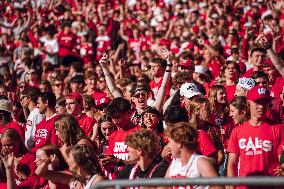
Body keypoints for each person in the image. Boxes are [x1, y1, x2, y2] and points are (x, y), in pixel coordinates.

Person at [227, 86, 284, 189]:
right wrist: (231, 186)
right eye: (258, 102)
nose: (262, 107)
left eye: (265, 102)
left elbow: (282, 159)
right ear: (248, 103)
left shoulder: (278, 129)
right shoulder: (237, 131)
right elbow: (232, 163)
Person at [164, 122, 223, 189]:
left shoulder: (200, 162)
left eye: (170, 142)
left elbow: (218, 186)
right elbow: (163, 187)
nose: (168, 146)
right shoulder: (175, 163)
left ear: (179, 143)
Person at [35, 144, 105, 189]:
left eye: (69, 158)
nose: (67, 161)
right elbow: (40, 173)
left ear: (78, 161)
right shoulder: (72, 180)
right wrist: (47, 161)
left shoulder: (97, 180)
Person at [20, 86, 44, 150]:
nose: (21, 101)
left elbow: (39, 135)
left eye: (22, 98)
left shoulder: (38, 113)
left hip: (35, 149)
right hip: (31, 149)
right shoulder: (33, 113)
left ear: (29, 98)